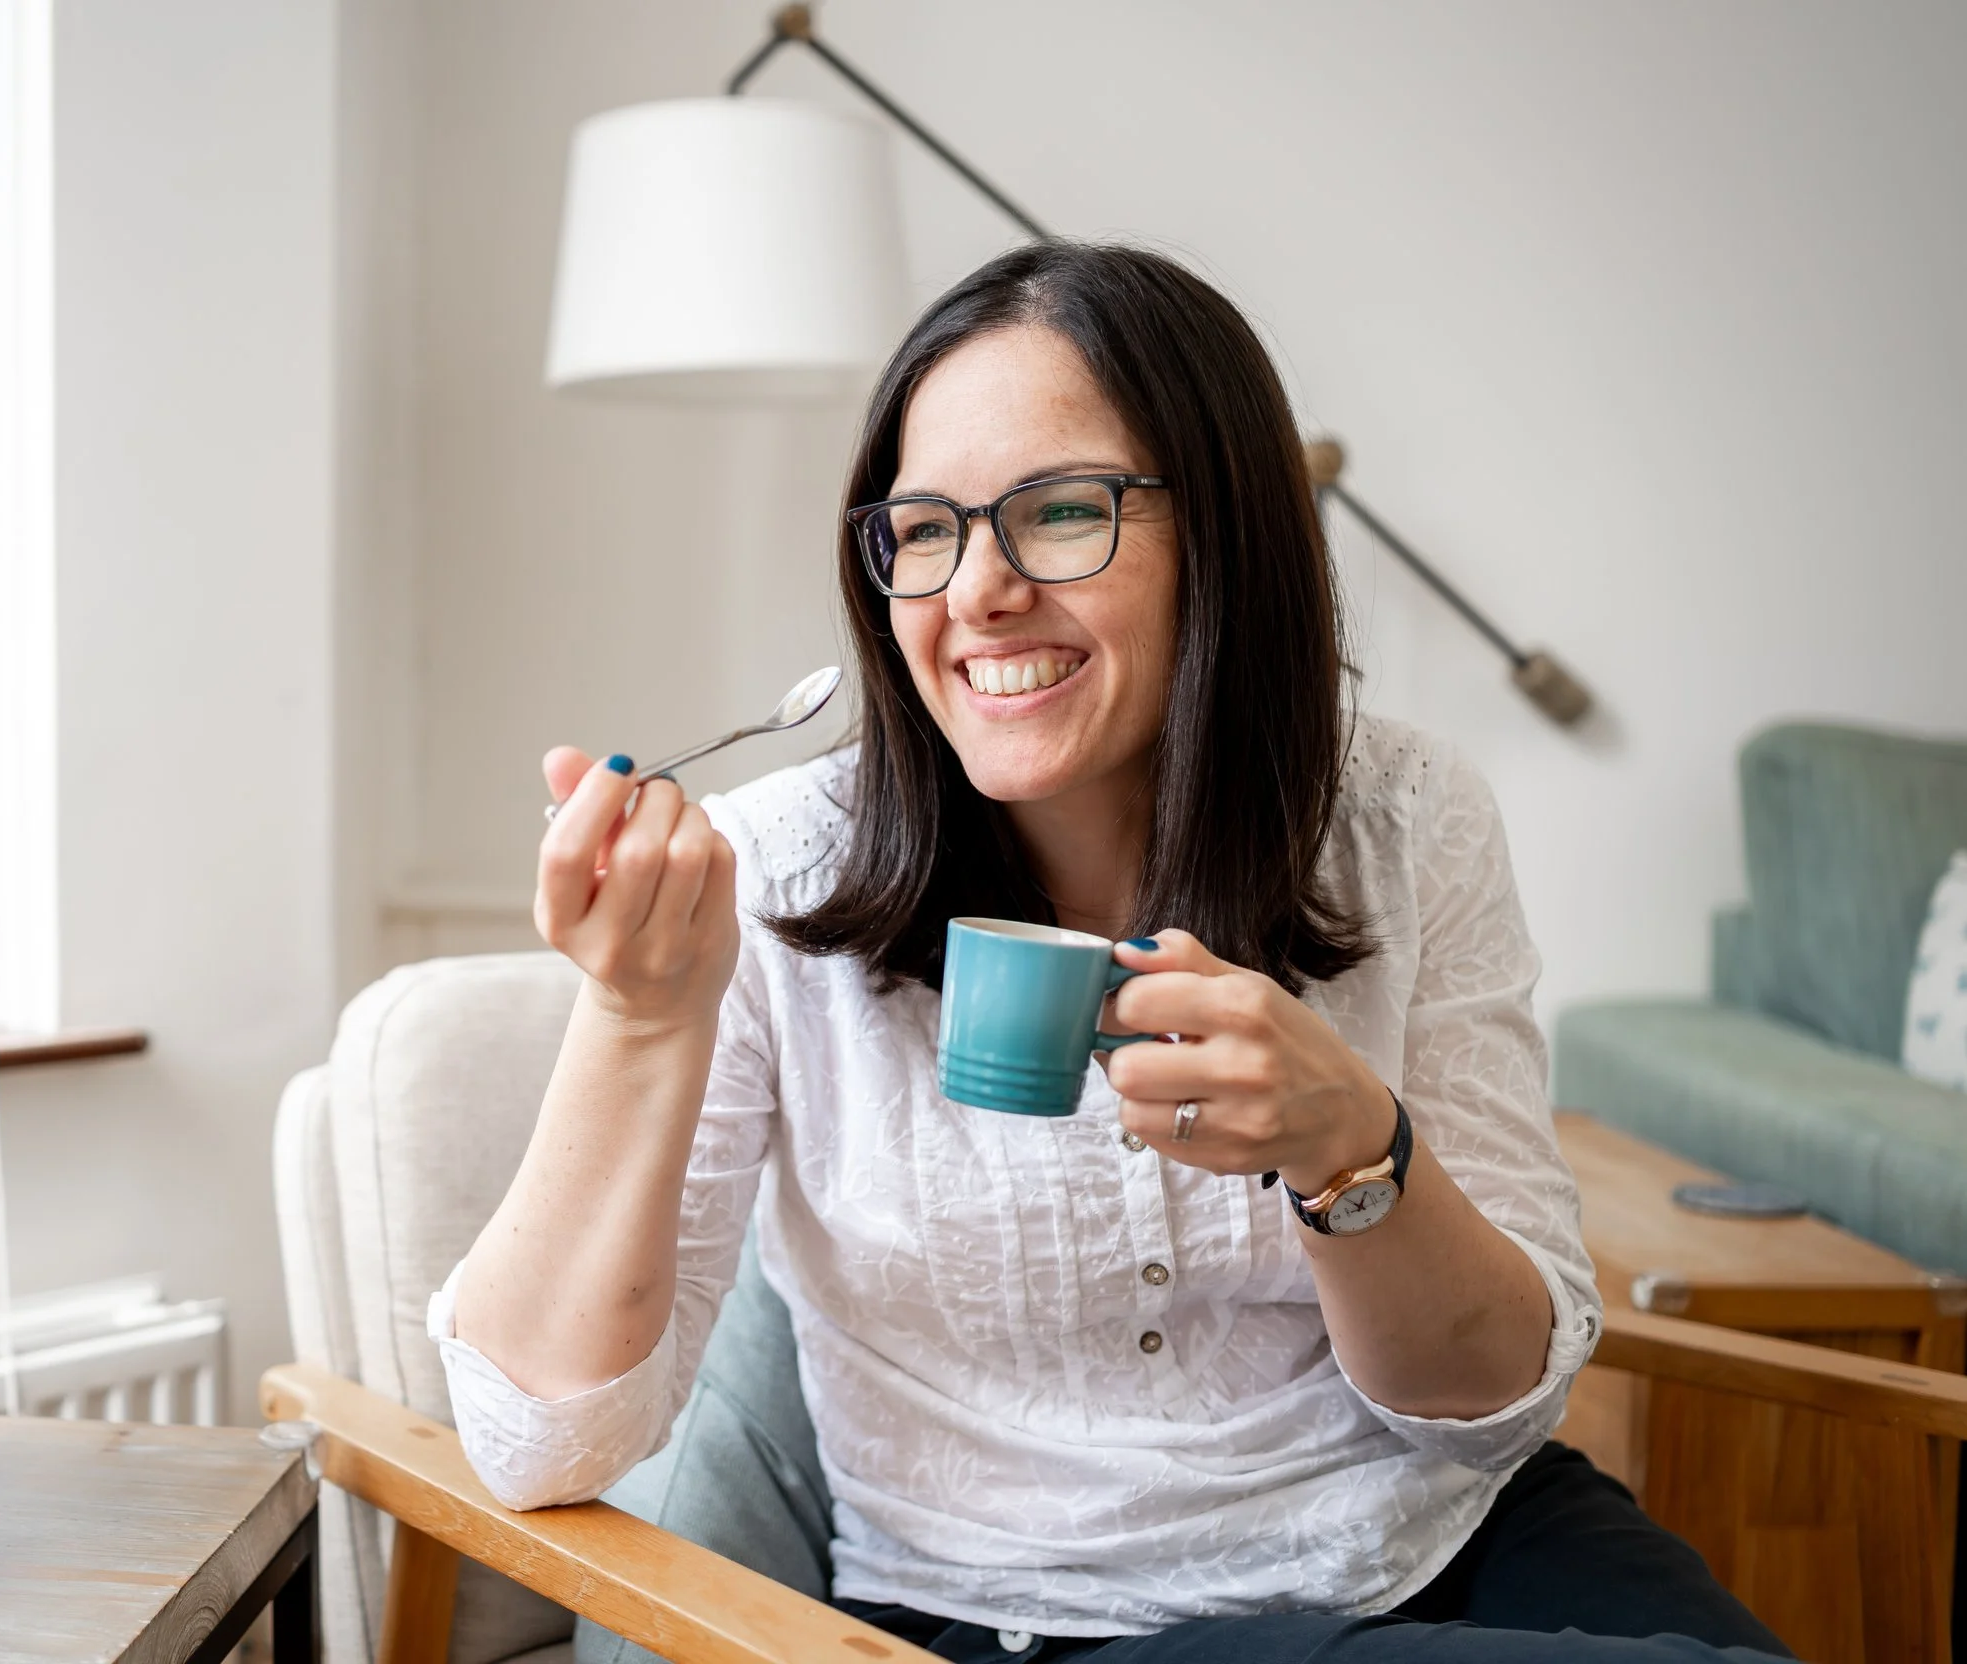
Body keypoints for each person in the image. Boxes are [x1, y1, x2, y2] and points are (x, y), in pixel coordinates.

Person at [435, 241, 1787, 1661]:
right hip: (1023, 1609)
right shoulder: (774, 870)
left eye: (1062, 511)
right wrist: (643, 1020)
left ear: (1229, 532)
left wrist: (1352, 1150)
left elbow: (1491, 1401)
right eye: (929, 529)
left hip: (1440, 1532)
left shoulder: (1407, 820)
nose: (979, 592)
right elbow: (537, 1444)